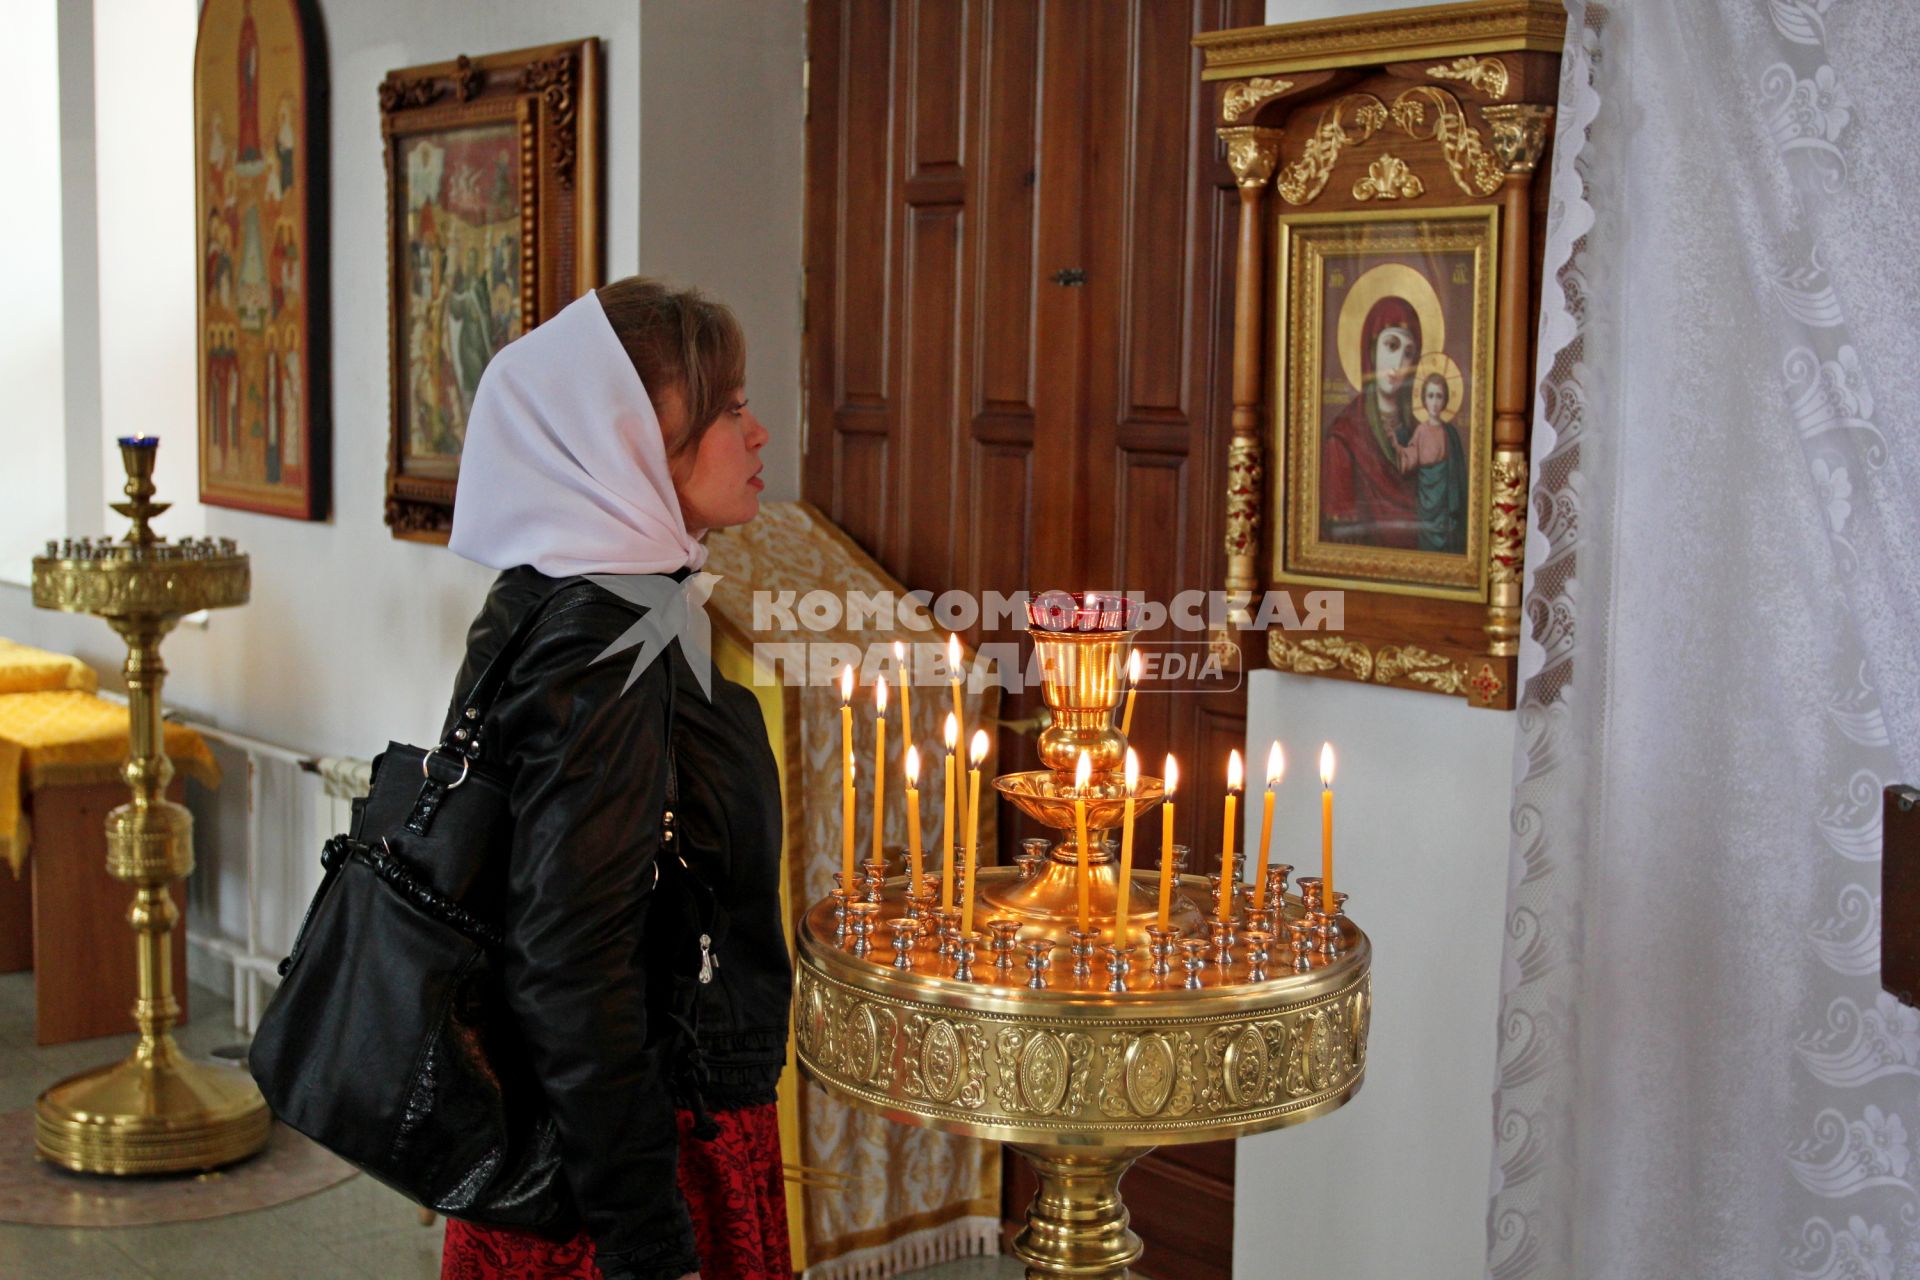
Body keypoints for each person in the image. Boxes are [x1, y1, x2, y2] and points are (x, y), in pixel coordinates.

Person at [437, 277, 788, 1280]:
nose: (757, 431)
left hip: (627, 1127)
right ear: (629, 440)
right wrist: (647, 1235)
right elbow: (569, 963)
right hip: (633, 1160)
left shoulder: (594, 593)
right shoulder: (606, 639)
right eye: (726, 410)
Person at [1319, 295, 1423, 548]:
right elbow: (1342, 536)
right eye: (1391, 346)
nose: (1398, 364)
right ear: (1372, 350)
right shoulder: (1344, 437)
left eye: (1408, 353)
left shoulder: (1421, 433)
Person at [1394, 371, 1467, 553]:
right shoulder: (1421, 431)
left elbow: (1457, 473)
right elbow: (1409, 459)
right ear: (1424, 399)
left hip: (1445, 507)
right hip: (1426, 506)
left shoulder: (1450, 434)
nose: (1434, 402)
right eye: (1431, 396)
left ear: (1445, 400)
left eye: (1439, 396)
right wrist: (1395, 446)